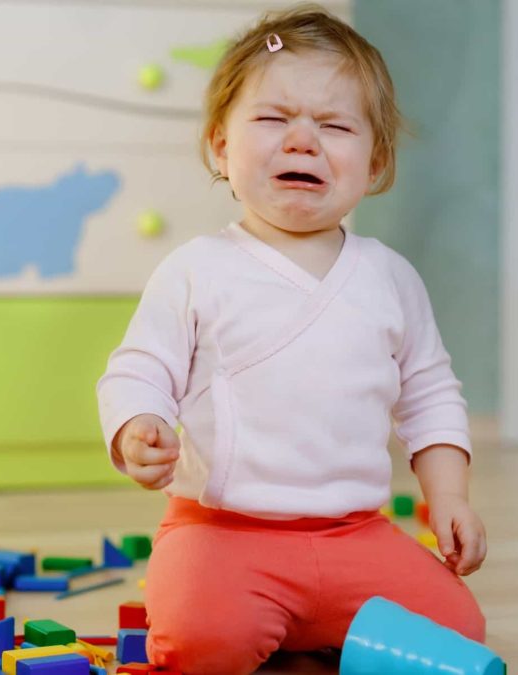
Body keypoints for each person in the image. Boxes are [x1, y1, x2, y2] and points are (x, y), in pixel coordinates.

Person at [97, 4, 486, 673]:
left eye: (335, 126)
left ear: (375, 162)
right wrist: (138, 425)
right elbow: (138, 369)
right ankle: (277, 625)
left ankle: (303, 628)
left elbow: (430, 396)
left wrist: (449, 497)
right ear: (221, 146)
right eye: (274, 119)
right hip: (223, 531)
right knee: (201, 640)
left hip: (356, 533)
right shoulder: (196, 269)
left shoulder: (389, 278)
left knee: (458, 634)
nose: (303, 140)